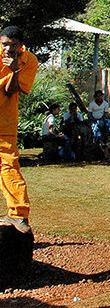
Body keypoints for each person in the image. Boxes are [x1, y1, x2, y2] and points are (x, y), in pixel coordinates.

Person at [0, 26, 38, 233]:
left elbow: (11, 91)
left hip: (4, 122)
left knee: (9, 166)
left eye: (13, 45)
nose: (8, 49)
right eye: (5, 44)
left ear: (21, 46)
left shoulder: (28, 61)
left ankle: (18, 214)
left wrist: (15, 71)